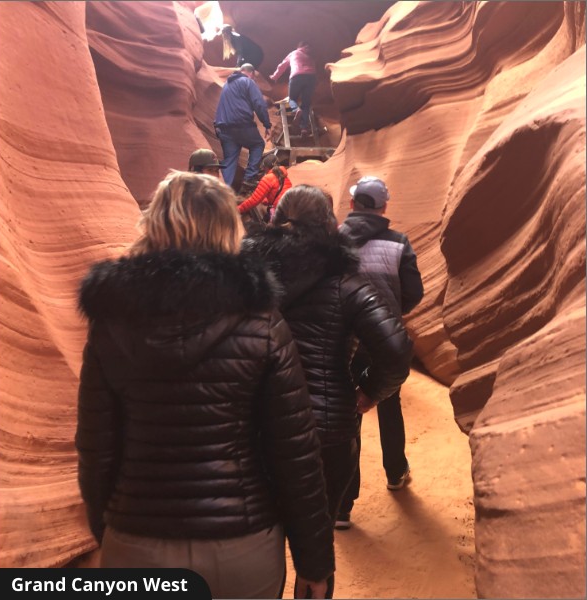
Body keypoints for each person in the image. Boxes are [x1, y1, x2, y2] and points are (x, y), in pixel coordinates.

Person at [75, 171, 335, 599]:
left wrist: (108, 527)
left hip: (137, 539)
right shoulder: (262, 322)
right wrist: (314, 560)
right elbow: (295, 453)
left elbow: (96, 446)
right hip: (242, 546)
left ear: (154, 223)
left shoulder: (110, 323)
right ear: (227, 227)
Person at [242, 185, 413, 599]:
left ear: (275, 220)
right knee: (315, 541)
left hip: (255, 423)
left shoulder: (246, 276)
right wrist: (370, 391)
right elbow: (395, 350)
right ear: (330, 225)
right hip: (327, 426)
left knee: (258, 533)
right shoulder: (347, 283)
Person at [337, 176, 424, 530]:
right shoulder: (398, 243)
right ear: (384, 207)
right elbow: (414, 293)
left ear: (354, 202)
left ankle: (342, 505)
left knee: (346, 415)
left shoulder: (333, 241)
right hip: (384, 337)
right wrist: (390, 308)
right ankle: (395, 471)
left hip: (343, 340)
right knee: (388, 403)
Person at [214, 63, 271, 192]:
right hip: (242, 125)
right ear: (251, 73)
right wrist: (267, 125)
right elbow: (259, 104)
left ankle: (221, 191)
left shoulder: (227, 85)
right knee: (258, 144)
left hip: (223, 128)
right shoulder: (248, 82)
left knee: (229, 161)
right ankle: (249, 179)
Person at [270, 42, 317, 137]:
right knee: (306, 104)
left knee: (292, 98)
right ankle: (304, 128)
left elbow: (282, 66)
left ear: (299, 47)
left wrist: (274, 77)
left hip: (297, 76)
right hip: (311, 77)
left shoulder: (294, 53)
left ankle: (296, 110)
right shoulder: (310, 57)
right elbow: (314, 68)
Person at [237, 154, 292, 223]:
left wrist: (238, 209)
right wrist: (266, 199)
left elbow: (254, 201)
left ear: (266, 167)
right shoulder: (284, 176)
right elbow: (278, 192)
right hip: (290, 210)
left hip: (280, 212)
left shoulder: (268, 178)